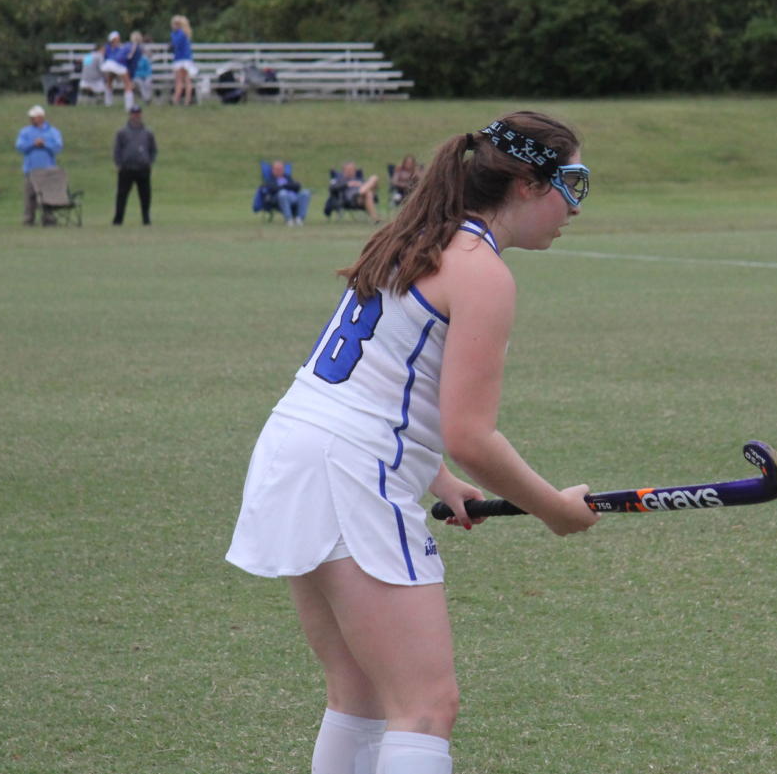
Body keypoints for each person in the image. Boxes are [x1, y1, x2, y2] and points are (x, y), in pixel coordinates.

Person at [225, 111, 598, 774]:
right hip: (350, 471)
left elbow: (382, 377)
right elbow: (471, 436)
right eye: (570, 183)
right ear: (523, 184)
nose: (574, 206)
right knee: (426, 705)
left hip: (297, 450)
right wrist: (554, 509)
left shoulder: (418, 237)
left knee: (361, 694)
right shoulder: (480, 271)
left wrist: (435, 474)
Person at [15, 104, 64, 226]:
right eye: (31, 117)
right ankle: (28, 219)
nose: (31, 119)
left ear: (41, 117)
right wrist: (33, 144)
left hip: (47, 169)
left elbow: (57, 147)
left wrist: (45, 144)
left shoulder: (53, 132)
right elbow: (20, 146)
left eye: (34, 117)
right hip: (30, 169)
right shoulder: (25, 131)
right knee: (29, 195)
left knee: (47, 195)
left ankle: (48, 218)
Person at [112, 103, 157, 225]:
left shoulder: (148, 133)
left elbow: (153, 149)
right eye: (134, 113)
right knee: (122, 195)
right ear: (130, 115)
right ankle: (118, 219)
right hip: (127, 168)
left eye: (138, 113)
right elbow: (117, 149)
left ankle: (146, 219)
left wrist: (150, 162)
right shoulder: (122, 132)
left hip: (143, 168)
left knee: (145, 195)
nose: (136, 116)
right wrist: (119, 164)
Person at [264, 160, 311, 226]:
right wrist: (287, 186)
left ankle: (299, 219)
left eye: (281, 169)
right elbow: (273, 189)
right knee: (283, 193)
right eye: (277, 169)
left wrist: (284, 186)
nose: (279, 171)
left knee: (306, 192)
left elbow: (297, 186)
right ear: (273, 170)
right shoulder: (270, 179)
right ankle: (289, 219)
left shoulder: (287, 177)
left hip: (294, 197)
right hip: (280, 199)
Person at [101, 30, 135, 110]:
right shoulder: (118, 47)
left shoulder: (120, 47)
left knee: (110, 82)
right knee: (127, 83)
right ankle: (128, 107)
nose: (117, 40)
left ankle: (108, 104)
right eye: (115, 39)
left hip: (112, 65)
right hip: (118, 65)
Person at [170, 15, 197, 105]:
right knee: (187, 80)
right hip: (186, 59)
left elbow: (175, 44)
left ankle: (176, 99)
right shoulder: (186, 33)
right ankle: (187, 100)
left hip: (180, 59)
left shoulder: (179, 33)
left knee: (179, 81)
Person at [77, 40, 107, 105]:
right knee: (106, 84)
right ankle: (102, 101)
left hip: (84, 81)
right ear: (100, 49)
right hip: (95, 81)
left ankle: (89, 94)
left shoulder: (88, 56)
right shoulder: (100, 56)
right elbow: (102, 69)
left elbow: (87, 68)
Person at [129, 31, 154, 105]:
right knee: (140, 83)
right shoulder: (131, 50)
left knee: (147, 83)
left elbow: (148, 63)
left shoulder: (143, 52)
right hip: (137, 75)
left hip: (146, 74)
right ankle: (146, 99)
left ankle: (147, 98)